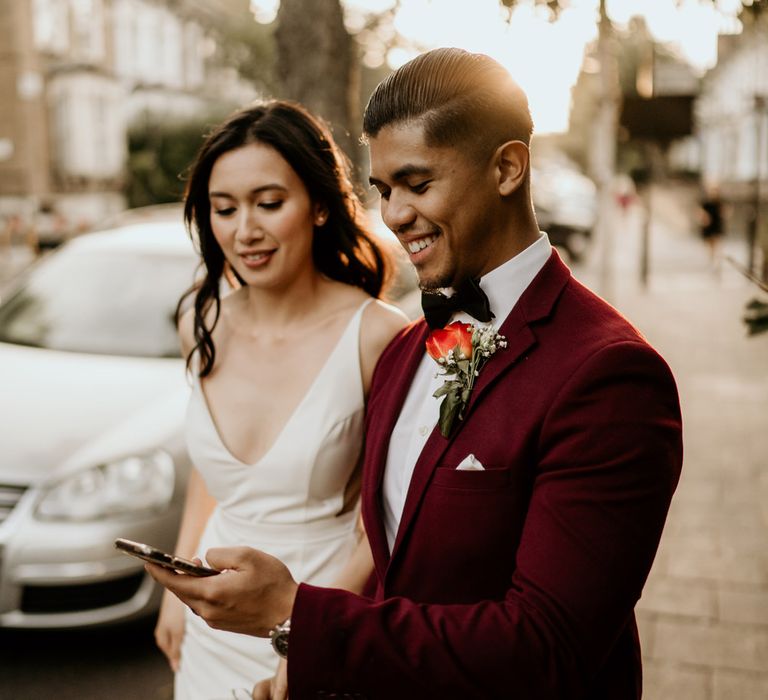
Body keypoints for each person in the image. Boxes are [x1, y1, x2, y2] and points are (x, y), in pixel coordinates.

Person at [148, 48, 683, 700]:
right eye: (384, 191)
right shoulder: (410, 350)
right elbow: (392, 553)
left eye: (418, 183)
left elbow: (550, 647)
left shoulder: (609, 374)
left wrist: (300, 617)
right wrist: (310, 661)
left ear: (508, 168)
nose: (395, 214)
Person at [153, 99, 407, 699]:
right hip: (208, 635)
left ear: (320, 205)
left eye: (269, 203)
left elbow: (388, 519)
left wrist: (308, 637)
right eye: (225, 208)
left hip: (318, 622)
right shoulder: (202, 321)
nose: (246, 230)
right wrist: (176, 591)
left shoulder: (376, 334)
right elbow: (209, 478)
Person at [697, 182, 724, 264]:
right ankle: (711, 260)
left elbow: (725, 212)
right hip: (708, 226)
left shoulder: (720, 202)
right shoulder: (706, 203)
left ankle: (716, 260)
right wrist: (704, 217)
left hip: (717, 225)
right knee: (709, 245)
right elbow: (699, 212)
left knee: (716, 244)